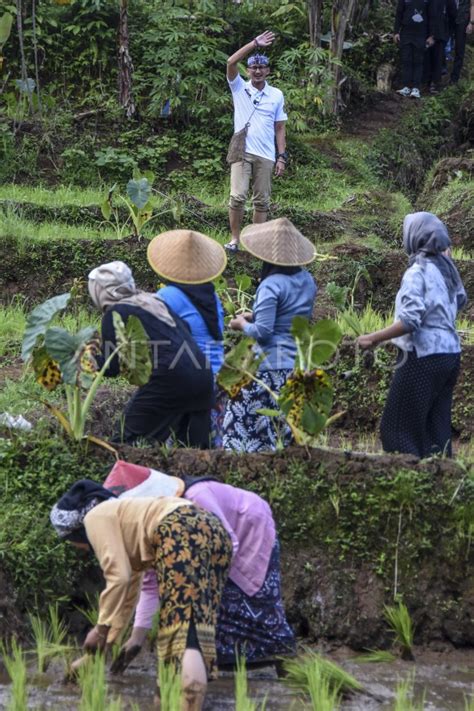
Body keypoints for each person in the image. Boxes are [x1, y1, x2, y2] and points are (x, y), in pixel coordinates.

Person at [50, 479, 232, 711]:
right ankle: (165, 702)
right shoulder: (125, 521)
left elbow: (119, 577)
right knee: (194, 624)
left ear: (74, 532)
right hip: (213, 530)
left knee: (183, 632)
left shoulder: (94, 516)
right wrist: (107, 644)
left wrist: (101, 629)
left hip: (180, 529)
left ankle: (187, 703)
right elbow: (128, 593)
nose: (78, 548)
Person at [100, 460, 296, 673]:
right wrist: (136, 638)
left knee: (254, 605)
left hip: (251, 529)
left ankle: (286, 661)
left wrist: (194, 590)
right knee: (207, 625)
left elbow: (227, 544)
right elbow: (150, 584)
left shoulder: (196, 497)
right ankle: (221, 678)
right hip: (211, 557)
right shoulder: (150, 528)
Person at [357, 212, 467, 459]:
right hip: (451, 354)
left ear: (413, 239)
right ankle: (441, 479)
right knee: (435, 425)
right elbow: (461, 300)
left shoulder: (417, 271)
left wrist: (373, 338)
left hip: (422, 355)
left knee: (397, 428)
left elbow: (410, 321)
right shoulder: (448, 270)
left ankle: (408, 485)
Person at [88, 260, 214, 447]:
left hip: (169, 379)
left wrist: (87, 360)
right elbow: (184, 328)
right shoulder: (153, 301)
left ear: (101, 291)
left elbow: (112, 366)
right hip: (202, 374)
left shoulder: (115, 313)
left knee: (125, 442)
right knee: (193, 452)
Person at [222, 217, 317, 452]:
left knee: (243, 429)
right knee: (282, 432)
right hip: (295, 364)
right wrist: (255, 315)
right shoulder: (306, 280)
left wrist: (241, 324)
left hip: (267, 369)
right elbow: (291, 315)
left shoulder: (271, 284)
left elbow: (263, 332)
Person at [147, 230, 227, 447]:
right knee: (210, 442)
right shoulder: (211, 294)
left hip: (189, 376)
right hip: (218, 374)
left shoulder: (168, 296)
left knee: (178, 445)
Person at [225, 30, 288, 253]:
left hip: (266, 154)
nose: (258, 71)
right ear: (248, 70)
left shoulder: (276, 95)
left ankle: (255, 243)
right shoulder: (239, 88)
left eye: (262, 68)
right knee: (238, 196)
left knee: (262, 200)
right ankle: (234, 239)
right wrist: (254, 43)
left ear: (268, 71)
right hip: (242, 150)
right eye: (254, 67)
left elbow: (280, 128)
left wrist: (282, 156)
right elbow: (231, 61)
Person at [394, 0, 431, 99]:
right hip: (406, 33)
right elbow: (399, 14)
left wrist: (431, 35)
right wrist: (396, 31)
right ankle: (406, 86)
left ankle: (416, 88)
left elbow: (432, 17)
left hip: (421, 35)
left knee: (418, 61)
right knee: (406, 60)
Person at [423, 0, 457, 93]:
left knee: (437, 59)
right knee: (427, 59)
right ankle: (426, 83)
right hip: (426, 32)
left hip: (440, 34)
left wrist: (445, 33)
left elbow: (453, 16)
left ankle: (434, 84)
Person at [450, 0, 474, 83]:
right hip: (448, 19)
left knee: (459, 49)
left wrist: (471, 22)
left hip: (462, 20)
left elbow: (472, 5)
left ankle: (454, 78)